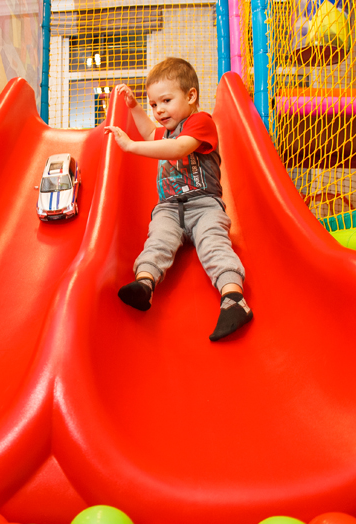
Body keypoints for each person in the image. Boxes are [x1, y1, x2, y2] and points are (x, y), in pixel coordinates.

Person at [105, 57, 252, 341]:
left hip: (204, 204)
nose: (159, 110)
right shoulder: (167, 130)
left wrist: (132, 146)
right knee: (157, 240)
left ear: (191, 96)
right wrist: (135, 108)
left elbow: (178, 148)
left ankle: (234, 299)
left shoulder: (200, 122)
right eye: (153, 104)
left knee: (213, 243)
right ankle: (145, 284)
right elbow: (150, 132)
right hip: (169, 208)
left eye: (166, 101)